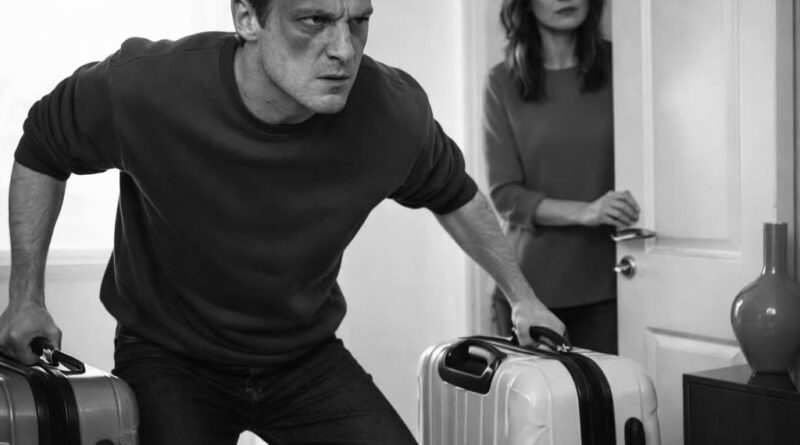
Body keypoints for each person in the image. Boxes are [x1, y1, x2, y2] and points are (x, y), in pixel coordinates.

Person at [0, 0, 565, 443]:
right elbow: (43, 147)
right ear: (248, 18)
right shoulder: (146, 86)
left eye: (358, 21)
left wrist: (523, 297)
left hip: (304, 358)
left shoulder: (392, 110)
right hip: (171, 356)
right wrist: (26, 297)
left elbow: (456, 195)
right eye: (313, 21)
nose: (344, 50)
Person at [484, 0, 640, 355]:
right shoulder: (501, 81)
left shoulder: (627, 63)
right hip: (530, 293)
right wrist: (586, 212)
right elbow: (506, 195)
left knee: (612, 393)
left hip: (614, 285)